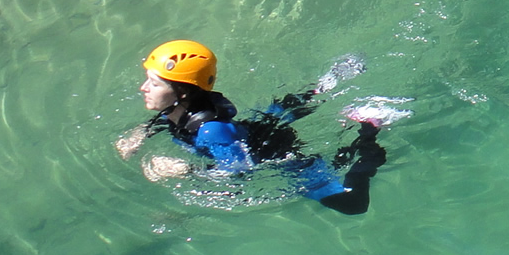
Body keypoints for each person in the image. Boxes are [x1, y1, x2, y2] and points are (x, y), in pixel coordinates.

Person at [118, 40, 405, 214]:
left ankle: (368, 128)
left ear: (182, 92)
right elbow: (167, 118)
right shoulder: (182, 104)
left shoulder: (212, 130)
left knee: (352, 204)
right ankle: (325, 84)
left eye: (154, 83)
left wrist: (187, 170)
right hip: (251, 131)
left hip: (277, 156)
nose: (143, 88)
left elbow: (239, 171)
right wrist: (140, 134)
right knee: (273, 116)